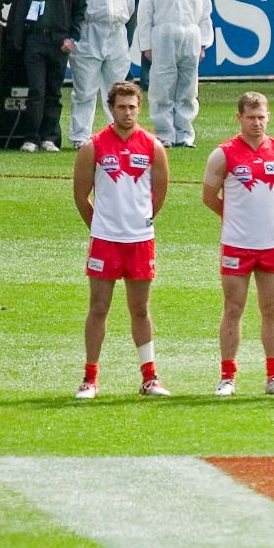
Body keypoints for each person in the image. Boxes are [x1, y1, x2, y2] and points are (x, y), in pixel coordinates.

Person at [72, 81, 170, 399]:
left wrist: (139, 221)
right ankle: (89, 379)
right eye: (121, 107)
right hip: (105, 241)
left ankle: (150, 377)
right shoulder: (94, 146)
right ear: (111, 109)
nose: (127, 112)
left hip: (140, 240)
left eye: (132, 107)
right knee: (98, 307)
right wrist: (100, 225)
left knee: (140, 309)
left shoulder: (153, 146)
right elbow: (80, 195)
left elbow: (159, 194)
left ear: (139, 108)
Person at [203, 92, 274, 397]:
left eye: (261, 117)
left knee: (271, 309)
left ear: (268, 116)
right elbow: (209, 197)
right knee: (233, 308)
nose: (257, 123)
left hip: (272, 242)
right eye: (250, 117)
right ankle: (227, 376)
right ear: (239, 117)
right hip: (236, 244)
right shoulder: (223, 154)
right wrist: (234, 221)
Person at [0, 0, 86, 153]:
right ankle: (31, 137)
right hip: (33, 40)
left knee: (54, 92)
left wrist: (73, 37)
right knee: (35, 90)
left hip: (60, 42)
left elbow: (80, 10)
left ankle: (49, 137)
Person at [138, 0, 214, 148]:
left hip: (190, 35)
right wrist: (146, 45)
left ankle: (185, 133)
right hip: (162, 36)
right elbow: (145, 14)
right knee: (162, 85)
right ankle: (164, 134)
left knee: (188, 88)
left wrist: (203, 43)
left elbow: (205, 13)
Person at [68, 0, 136, 149]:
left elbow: (129, 8)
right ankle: (80, 136)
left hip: (116, 34)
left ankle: (115, 132)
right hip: (89, 35)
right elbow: (74, 9)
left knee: (115, 88)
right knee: (85, 89)